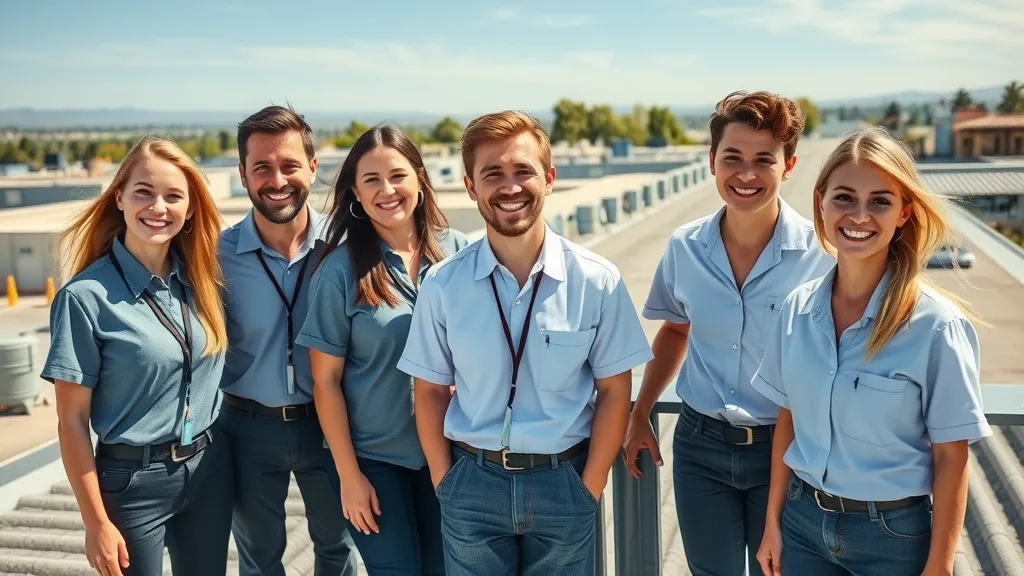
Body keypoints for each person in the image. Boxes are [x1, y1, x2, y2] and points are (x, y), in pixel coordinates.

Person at [396, 110, 653, 575]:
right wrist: (445, 482)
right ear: (472, 187)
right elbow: (430, 391)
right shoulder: (442, 284)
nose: (510, 187)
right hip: (471, 485)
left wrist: (588, 488)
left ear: (549, 178)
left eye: (523, 171)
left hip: (564, 483)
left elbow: (616, 391)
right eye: (492, 174)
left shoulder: (597, 281)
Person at [752, 127, 992, 576]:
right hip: (802, 524)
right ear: (821, 201)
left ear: (904, 213)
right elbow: (788, 422)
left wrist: (939, 565)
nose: (859, 215)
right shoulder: (795, 310)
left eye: (880, 201)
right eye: (844, 197)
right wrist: (773, 524)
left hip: (894, 538)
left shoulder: (936, 327)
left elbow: (951, 455)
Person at [623, 90, 834, 576]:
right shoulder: (685, 248)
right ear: (711, 160)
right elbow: (675, 331)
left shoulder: (820, 257)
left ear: (789, 165)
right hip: (700, 448)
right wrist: (640, 411)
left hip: (784, 450)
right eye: (732, 157)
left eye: (764, 160)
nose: (745, 174)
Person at [42, 136, 233, 576]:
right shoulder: (84, 298)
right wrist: (95, 523)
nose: (158, 207)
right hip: (132, 485)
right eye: (144, 192)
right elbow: (71, 423)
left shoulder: (203, 282)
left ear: (189, 210)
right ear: (120, 199)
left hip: (209, 470)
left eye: (173, 196)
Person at [295, 125, 467, 575]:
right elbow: (325, 382)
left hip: (451, 454)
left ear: (420, 180)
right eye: (371, 179)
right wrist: (349, 477)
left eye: (397, 175)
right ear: (354, 190)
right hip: (375, 463)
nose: (386, 190)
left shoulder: (460, 254)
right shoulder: (338, 272)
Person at [217, 105, 358, 576]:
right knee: (259, 559)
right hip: (248, 428)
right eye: (262, 168)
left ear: (313, 168)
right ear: (242, 174)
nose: (277, 180)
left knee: (339, 549)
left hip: (332, 425)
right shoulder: (216, 257)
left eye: (290, 165)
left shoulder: (347, 249)